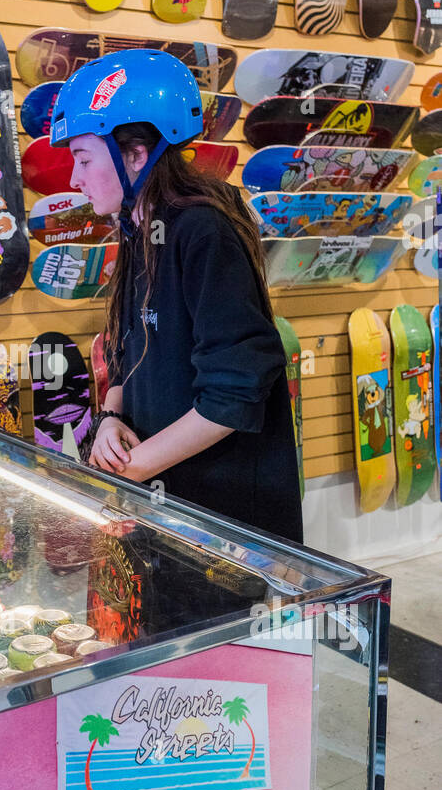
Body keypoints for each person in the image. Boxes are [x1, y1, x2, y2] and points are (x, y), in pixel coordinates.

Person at [49, 49, 303, 544]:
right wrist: (111, 419)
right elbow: (128, 354)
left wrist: (132, 468)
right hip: (165, 502)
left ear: (137, 155)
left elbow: (234, 391)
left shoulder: (202, 230)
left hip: (222, 519)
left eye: (82, 159)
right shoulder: (138, 228)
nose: (74, 179)